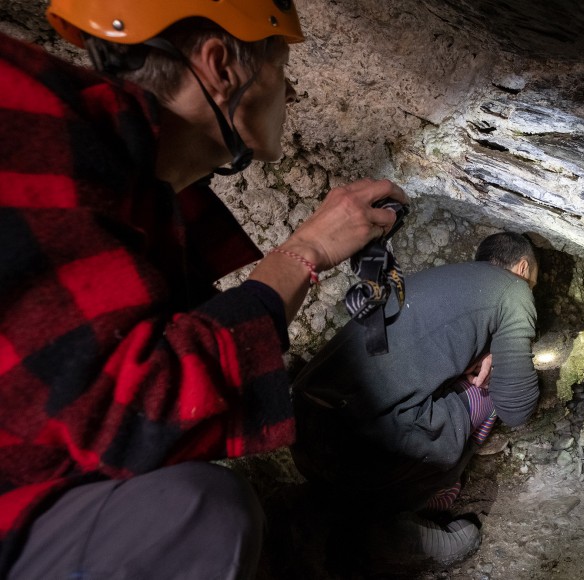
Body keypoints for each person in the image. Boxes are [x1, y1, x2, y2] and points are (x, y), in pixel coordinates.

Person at [0, 1, 408, 578]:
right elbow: (142, 413)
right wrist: (305, 252)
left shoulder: (129, 189)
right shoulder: (30, 144)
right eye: (280, 68)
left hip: (27, 465)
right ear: (221, 67)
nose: (290, 95)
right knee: (200, 516)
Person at [290, 232, 540, 570]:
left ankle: (370, 500)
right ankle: (400, 518)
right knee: (490, 390)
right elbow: (517, 408)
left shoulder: (445, 281)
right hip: (361, 452)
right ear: (523, 268)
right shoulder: (514, 290)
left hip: (303, 434)